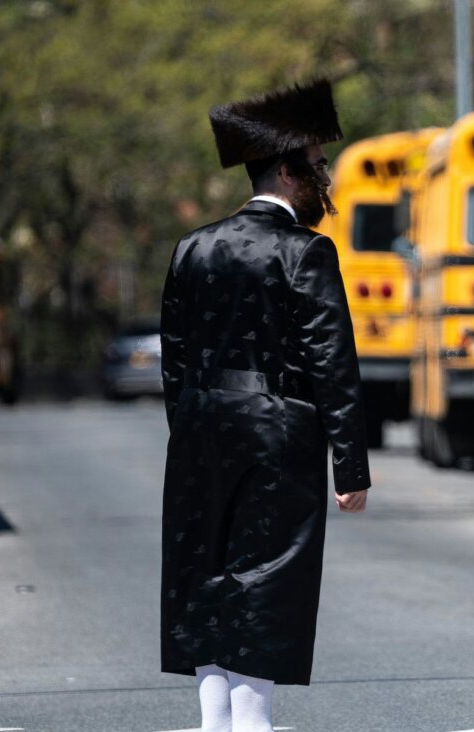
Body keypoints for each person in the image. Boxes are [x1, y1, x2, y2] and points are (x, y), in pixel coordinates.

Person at [159, 79, 372, 732]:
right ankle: (252, 724)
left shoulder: (191, 247)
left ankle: (213, 722)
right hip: (278, 430)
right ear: (287, 169)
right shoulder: (305, 250)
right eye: (317, 164)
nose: (325, 177)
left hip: (198, 426)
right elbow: (332, 363)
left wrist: (192, 427)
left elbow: (174, 359)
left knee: (206, 570)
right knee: (266, 576)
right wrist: (351, 466)